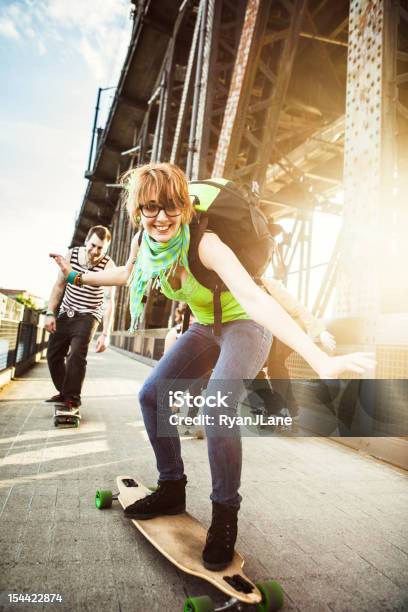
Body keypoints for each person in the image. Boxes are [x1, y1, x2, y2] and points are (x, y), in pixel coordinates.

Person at [50, 162, 375, 571]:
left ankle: (224, 515)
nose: (162, 217)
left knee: (217, 407)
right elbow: (126, 274)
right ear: (138, 212)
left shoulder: (206, 244)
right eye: (151, 208)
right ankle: (171, 486)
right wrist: (77, 277)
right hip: (206, 326)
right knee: (151, 394)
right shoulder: (144, 242)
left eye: (171, 206)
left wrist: (320, 358)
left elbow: (257, 301)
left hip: (246, 325)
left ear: (184, 206)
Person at [45, 225, 115, 413]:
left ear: (106, 249)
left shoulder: (108, 265)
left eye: (100, 248)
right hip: (66, 312)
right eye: (92, 245)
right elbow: (59, 286)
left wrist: (106, 334)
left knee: (76, 353)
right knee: (53, 355)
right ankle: (66, 392)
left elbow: (109, 301)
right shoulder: (72, 255)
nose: (95, 251)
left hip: (89, 315)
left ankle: (72, 399)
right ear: (86, 241)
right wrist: (50, 313)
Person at [262, 276, 336, 421]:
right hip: (273, 331)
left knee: (276, 363)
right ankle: (288, 409)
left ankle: (282, 409)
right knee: (262, 367)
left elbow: (298, 307)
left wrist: (320, 332)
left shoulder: (268, 284)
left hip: (292, 327)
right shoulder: (240, 290)